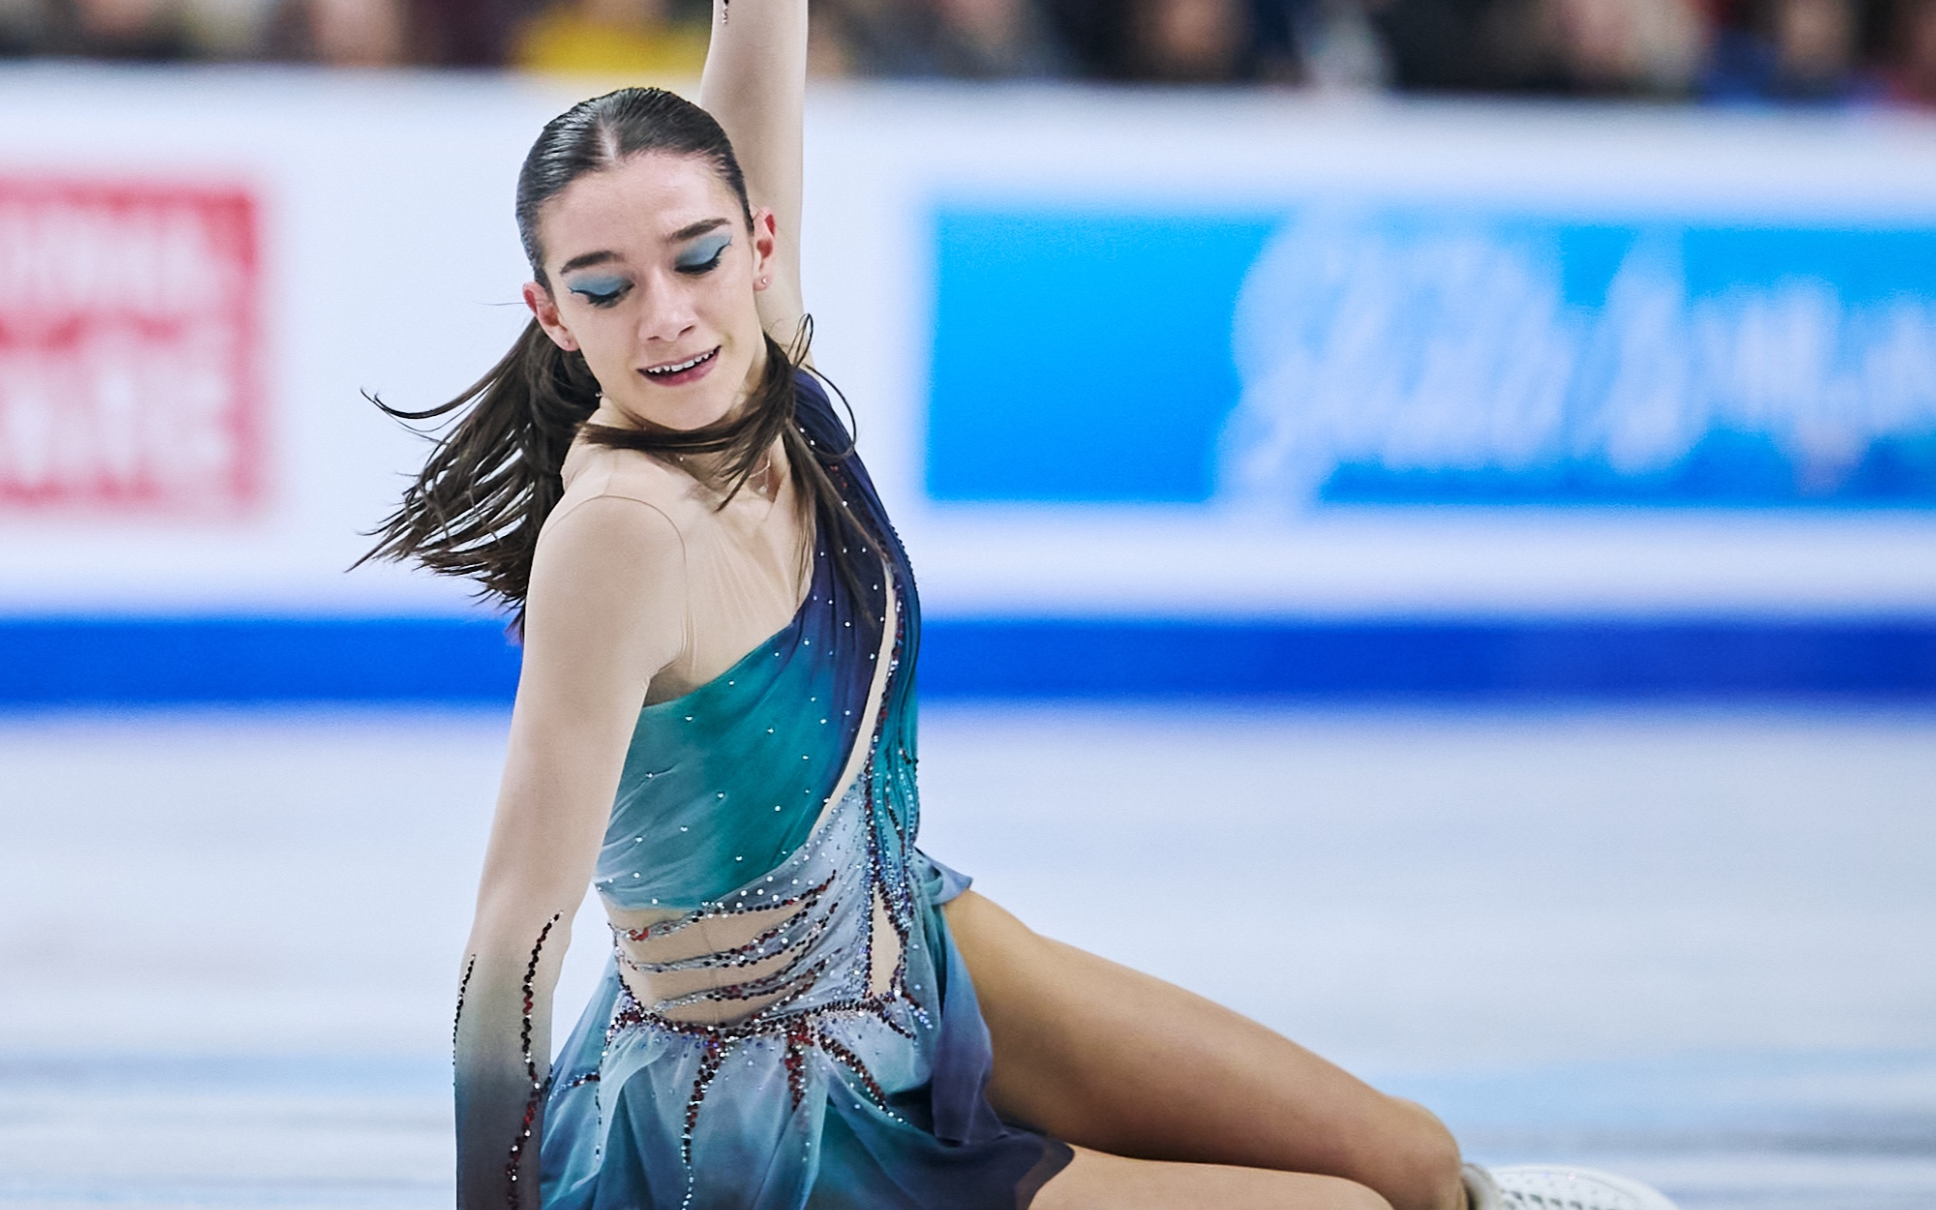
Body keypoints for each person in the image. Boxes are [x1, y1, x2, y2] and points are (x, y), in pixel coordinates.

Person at [366, 3, 1684, 1207]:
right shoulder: (619, 535)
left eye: (696, 257)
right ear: (553, 314)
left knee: (1415, 1162)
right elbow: (513, 932)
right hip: (774, 1116)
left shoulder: (759, 350)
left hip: (917, 942)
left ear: (757, 242)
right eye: (605, 288)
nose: (665, 316)